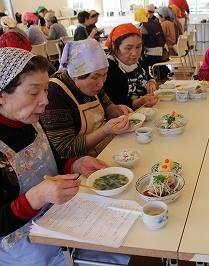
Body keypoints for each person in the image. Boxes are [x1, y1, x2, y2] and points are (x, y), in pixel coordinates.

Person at [0, 47, 130, 265]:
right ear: (2, 95)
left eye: (46, 91)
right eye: (34, 93)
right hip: (24, 244)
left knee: (119, 240)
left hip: (58, 216)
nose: (45, 101)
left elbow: (50, 162)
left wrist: (75, 164)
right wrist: (36, 198)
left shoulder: (30, 120)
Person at [41, 39, 133, 158]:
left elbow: (108, 106)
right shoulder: (55, 93)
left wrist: (117, 110)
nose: (101, 83)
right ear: (75, 75)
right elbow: (65, 149)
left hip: (109, 148)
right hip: (85, 163)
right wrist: (105, 130)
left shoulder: (95, 85)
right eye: (95, 77)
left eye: (104, 74)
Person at [103, 23, 158, 110]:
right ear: (115, 47)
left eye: (138, 47)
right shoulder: (109, 68)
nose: (134, 53)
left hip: (147, 108)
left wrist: (151, 82)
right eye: (128, 48)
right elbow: (115, 103)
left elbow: (149, 76)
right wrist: (139, 102)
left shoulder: (137, 60)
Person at [135, 8, 170, 79]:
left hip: (155, 56)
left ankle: (147, 78)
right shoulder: (156, 23)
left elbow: (142, 44)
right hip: (164, 54)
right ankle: (163, 72)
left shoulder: (144, 27)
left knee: (140, 60)